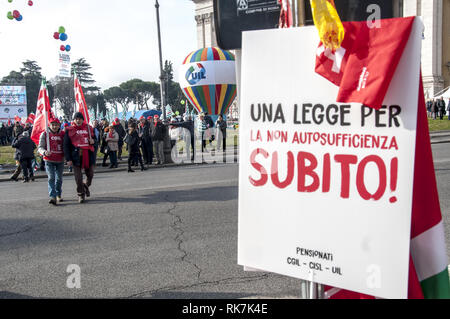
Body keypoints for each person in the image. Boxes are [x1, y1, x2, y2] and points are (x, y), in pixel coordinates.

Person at [63, 112, 97, 203]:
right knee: (78, 178)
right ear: (74, 120)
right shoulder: (69, 130)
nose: (78, 120)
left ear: (83, 119)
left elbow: (96, 141)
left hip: (88, 156)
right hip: (75, 157)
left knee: (90, 174)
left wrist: (93, 141)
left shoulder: (89, 129)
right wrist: (68, 159)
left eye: (80, 118)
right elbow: (66, 146)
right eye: (76, 119)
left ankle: (85, 186)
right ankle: (81, 194)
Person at [38, 117, 65, 205]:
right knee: (51, 177)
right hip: (49, 160)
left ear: (59, 126)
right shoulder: (45, 134)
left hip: (60, 159)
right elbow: (40, 147)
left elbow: (67, 145)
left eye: (56, 125)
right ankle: (52, 196)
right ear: (49, 125)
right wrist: (44, 152)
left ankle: (58, 194)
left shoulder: (63, 134)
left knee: (59, 179)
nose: (54, 126)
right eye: (52, 125)